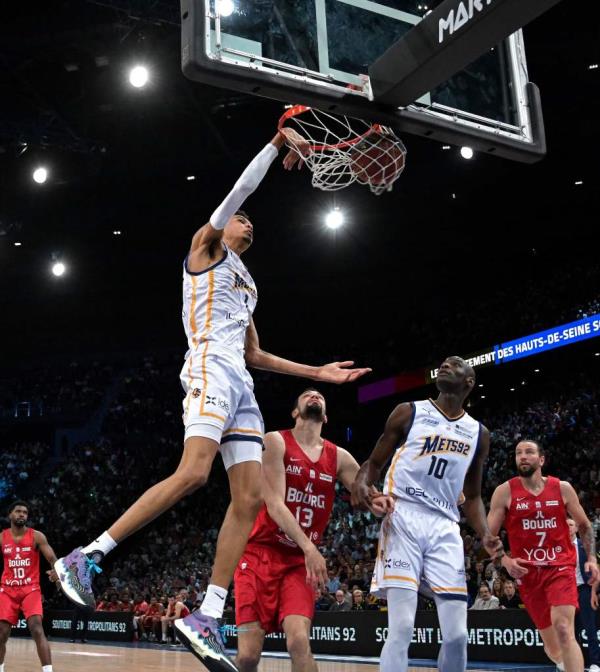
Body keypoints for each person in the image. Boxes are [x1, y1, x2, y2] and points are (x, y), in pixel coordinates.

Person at [54, 127, 370, 672]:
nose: (247, 221)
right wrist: (276, 146)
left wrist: (316, 370)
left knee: (248, 500)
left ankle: (207, 611)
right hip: (206, 366)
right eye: (241, 218)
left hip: (240, 384)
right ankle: (88, 556)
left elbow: (256, 353)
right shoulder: (205, 251)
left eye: (249, 223)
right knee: (196, 473)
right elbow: (238, 194)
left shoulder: (247, 284)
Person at [351, 355, 503, 672]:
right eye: (444, 363)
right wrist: (366, 490)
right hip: (403, 516)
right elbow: (372, 466)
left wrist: (486, 534)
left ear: (469, 382)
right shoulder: (409, 411)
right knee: (402, 627)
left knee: (458, 635)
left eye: (456, 364)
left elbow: (473, 496)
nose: (446, 365)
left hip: (445, 526)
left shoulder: (479, 434)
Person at [233, 389, 390, 672]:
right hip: (260, 553)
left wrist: (379, 502)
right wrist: (310, 548)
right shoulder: (275, 441)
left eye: (319, 395)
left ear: (326, 416)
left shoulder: (338, 456)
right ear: (295, 411)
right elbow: (275, 505)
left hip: (297, 563)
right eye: (307, 394)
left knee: (299, 641)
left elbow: (368, 494)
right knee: (247, 656)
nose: (314, 395)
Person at [488, 439, 600, 672]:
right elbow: (489, 537)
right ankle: (563, 664)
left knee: (563, 628)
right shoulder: (504, 492)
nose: (523, 456)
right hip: (528, 574)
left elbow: (585, 526)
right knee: (552, 648)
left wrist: (591, 559)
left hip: (560, 567)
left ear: (541, 460)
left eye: (529, 452)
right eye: (518, 453)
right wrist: (505, 561)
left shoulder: (562, 488)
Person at [0, 501, 59, 672]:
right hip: (7, 590)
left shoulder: (36, 536)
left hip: (30, 589)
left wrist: (56, 572)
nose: (22, 515)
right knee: (1, 633)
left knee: (36, 628)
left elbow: (53, 559)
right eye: (18, 511)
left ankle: (48, 671)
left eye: (25, 512)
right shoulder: (2, 537)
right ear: (10, 515)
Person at [568, 518, 600, 672]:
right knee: (570, 630)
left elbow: (596, 571)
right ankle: (575, 663)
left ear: (575, 529)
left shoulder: (585, 546)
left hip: (584, 589)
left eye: (571, 525)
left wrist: (594, 591)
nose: (567, 527)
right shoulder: (558, 547)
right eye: (565, 525)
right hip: (566, 592)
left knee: (590, 627)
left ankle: (596, 663)